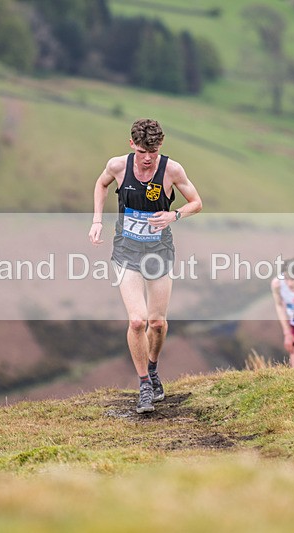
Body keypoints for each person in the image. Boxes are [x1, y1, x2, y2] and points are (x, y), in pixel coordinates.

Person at [88, 118, 202, 413]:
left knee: (157, 323)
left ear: (160, 145)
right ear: (132, 145)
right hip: (126, 251)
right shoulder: (118, 166)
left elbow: (196, 202)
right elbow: (100, 184)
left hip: (159, 252)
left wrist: (174, 215)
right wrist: (97, 221)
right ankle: (144, 386)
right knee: (137, 321)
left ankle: (152, 368)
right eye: (141, 152)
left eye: (153, 151)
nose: (148, 158)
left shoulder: (172, 170)